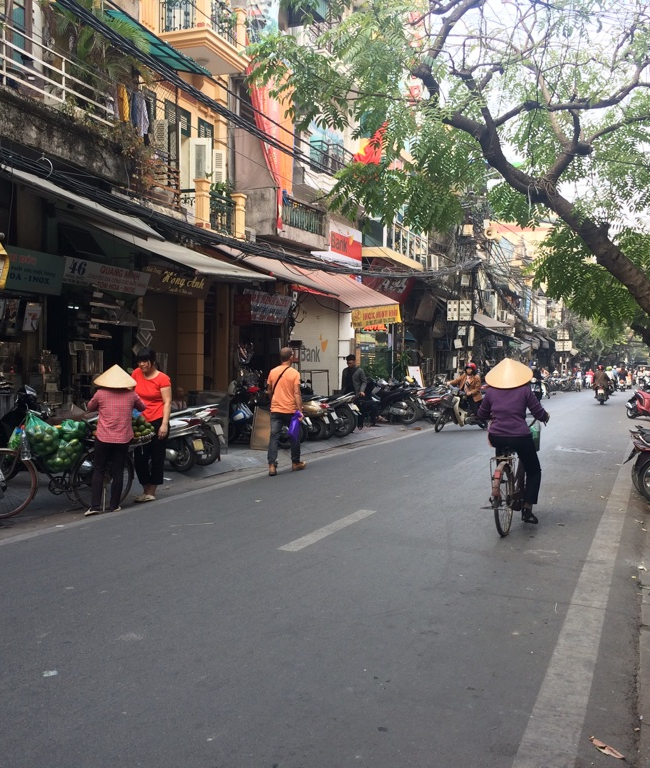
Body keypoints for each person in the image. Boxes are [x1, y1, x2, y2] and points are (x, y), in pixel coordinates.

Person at [477, 358, 550, 525]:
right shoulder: (524, 390)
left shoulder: (491, 392)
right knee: (534, 471)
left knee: (501, 456)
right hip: (520, 437)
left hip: (497, 437)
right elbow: (538, 412)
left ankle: (499, 483)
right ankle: (527, 510)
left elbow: (481, 415)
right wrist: (546, 417)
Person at [84, 365, 145, 516]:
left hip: (103, 437)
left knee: (99, 470)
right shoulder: (131, 395)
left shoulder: (100, 393)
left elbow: (90, 407)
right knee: (118, 470)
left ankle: (95, 506)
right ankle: (114, 505)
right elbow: (142, 407)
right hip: (123, 438)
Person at [130, 348, 172, 502]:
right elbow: (130, 392)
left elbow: (167, 402)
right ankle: (145, 489)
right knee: (140, 457)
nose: (142, 364)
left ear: (153, 361)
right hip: (139, 421)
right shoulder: (135, 373)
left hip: (157, 420)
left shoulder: (163, 379)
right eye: (140, 361)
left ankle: (152, 491)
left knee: (156, 457)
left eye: (145, 361)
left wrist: (164, 425)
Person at [266, 347, 305, 476]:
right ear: (291, 357)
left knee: (274, 437)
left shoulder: (272, 372)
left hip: (276, 409)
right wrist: (300, 410)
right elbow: (297, 393)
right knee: (294, 435)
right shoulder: (294, 373)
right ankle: (295, 463)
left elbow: (269, 390)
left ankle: (272, 465)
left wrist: (274, 401)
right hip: (290, 410)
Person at [341, 354, 377, 427]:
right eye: (348, 363)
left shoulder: (359, 371)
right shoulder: (345, 371)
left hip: (356, 393)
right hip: (347, 393)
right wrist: (342, 392)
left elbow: (364, 381)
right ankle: (349, 425)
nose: (349, 365)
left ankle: (359, 424)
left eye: (350, 363)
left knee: (360, 409)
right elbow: (343, 383)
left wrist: (362, 390)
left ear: (354, 362)